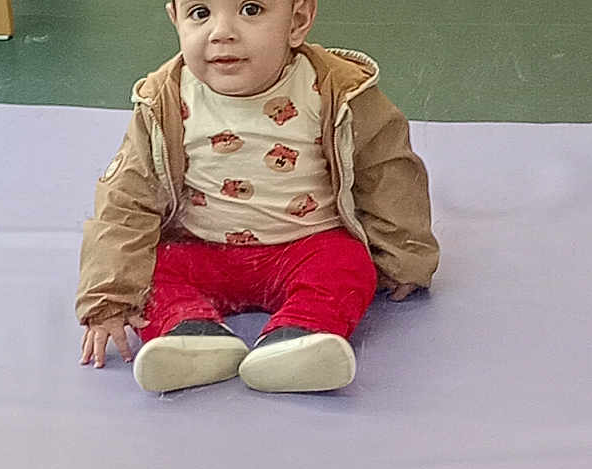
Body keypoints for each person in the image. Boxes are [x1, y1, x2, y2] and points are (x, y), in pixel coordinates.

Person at [76, 0, 439, 394]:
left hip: (307, 246)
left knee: (349, 263)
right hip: (201, 248)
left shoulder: (338, 90)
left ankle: (299, 336)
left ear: (298, 20)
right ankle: (189, 333)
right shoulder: (163, 100)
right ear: (175, 20)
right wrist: (108, 298)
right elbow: (126, 200)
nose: (221, 32)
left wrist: (405, 255)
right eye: (200, 13)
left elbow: (387, 173)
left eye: (251, 9)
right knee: (152, 269)